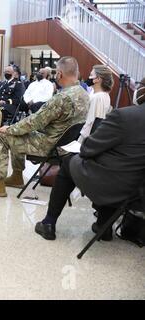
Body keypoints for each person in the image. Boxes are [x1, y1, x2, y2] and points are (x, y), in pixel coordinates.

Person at [35, 79, 145, 241]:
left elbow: (88, 149)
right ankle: (103, 226)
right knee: (117, 171)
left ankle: (48, 223)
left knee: (68, 163)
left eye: (139, 85)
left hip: (110, 184)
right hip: (136, 193)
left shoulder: (124, 116)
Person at [0, 56, 90, 197]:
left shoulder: (62, 98)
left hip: (49, 145)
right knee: (18, 133)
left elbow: (35, 121)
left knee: (1, 135)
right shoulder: (84, 94)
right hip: (65, 144)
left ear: (59, 73)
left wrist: (10, 128)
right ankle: (17, 177)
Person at [79, 65, 113, 141]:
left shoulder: (98, 97)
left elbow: (91, 122)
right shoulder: (97, 93)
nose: (89, 77)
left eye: (91, 75)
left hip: (86, 139)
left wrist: (80, 141)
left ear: (98, 79)